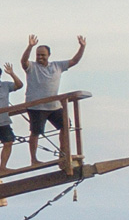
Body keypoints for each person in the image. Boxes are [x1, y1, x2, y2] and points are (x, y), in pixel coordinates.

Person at [21, 35, 86, 164]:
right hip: (36, 106)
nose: (40, 57)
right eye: (38, 55)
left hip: (54, 105)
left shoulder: (57, 66)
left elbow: (74, 61)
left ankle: (63, 153)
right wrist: (30, 46)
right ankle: (34, 159)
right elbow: (23, 61)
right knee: (36, 132)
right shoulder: (32, 67)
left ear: (49, 55)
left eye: (43, 55)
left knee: (65, 125)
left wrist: (82, 47)